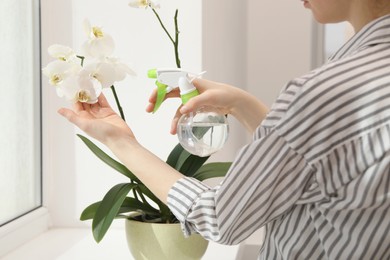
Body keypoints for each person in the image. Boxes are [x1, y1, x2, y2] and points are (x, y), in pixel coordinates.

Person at [59, 0, 390, 258]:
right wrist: (242, 105)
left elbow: (221, 219)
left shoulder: (324, 92)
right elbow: (329, 165)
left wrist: (120, 140)